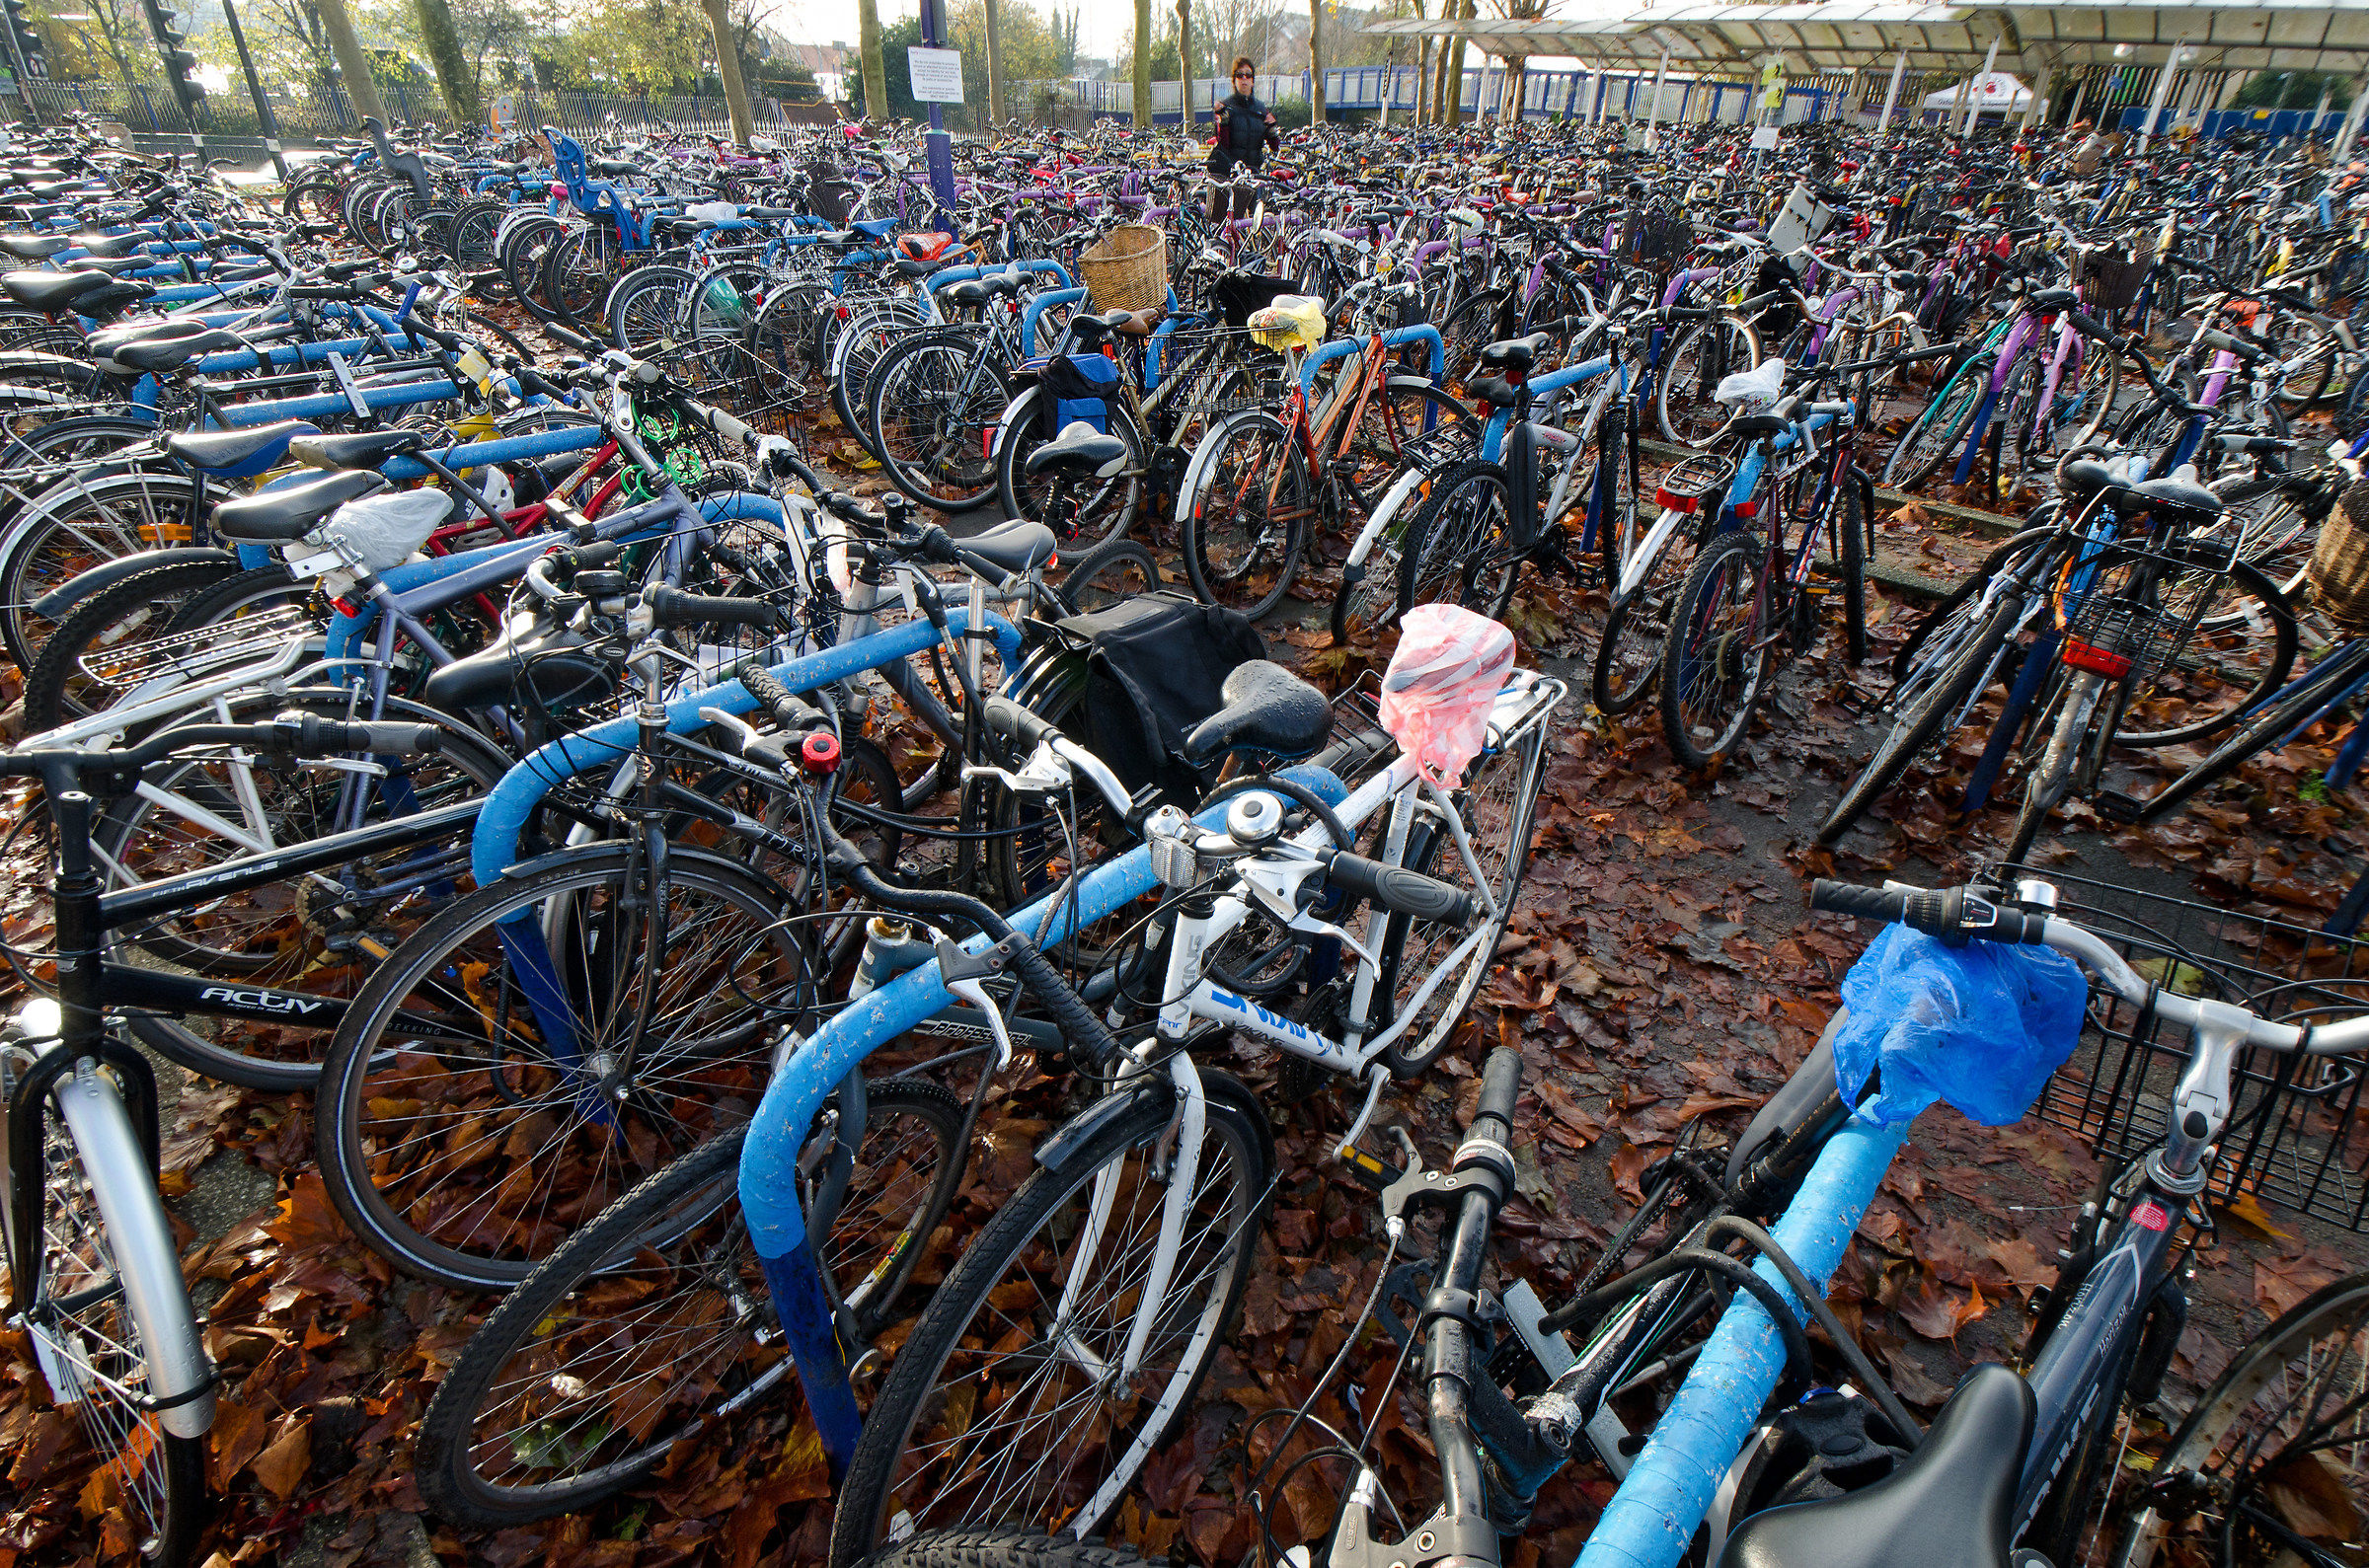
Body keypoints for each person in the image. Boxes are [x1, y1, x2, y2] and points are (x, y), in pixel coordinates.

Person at [1207, 57, 1279, 221]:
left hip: (1254, 173)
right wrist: (1223, 122)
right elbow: (1223, 143)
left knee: (1255, 221)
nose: (1244, 79)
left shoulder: (1261, 109)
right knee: (1230, 222)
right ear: (1234, 80)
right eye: (1240, 75)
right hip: (1233, 175)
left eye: (1248, 75)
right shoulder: (1227, 106)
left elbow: (1274, 146)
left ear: (1253, 81)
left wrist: (1272, 129)